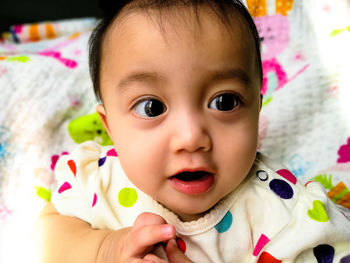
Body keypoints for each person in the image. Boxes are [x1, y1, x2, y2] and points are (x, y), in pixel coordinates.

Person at [36, 0, 350, 262]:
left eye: (224, 102)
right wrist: (104, 249)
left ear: (257, 108)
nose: (191, 137)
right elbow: (47, 236)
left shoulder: (287, 216)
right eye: (152, 108)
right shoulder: (96, 180)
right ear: (109, 126)